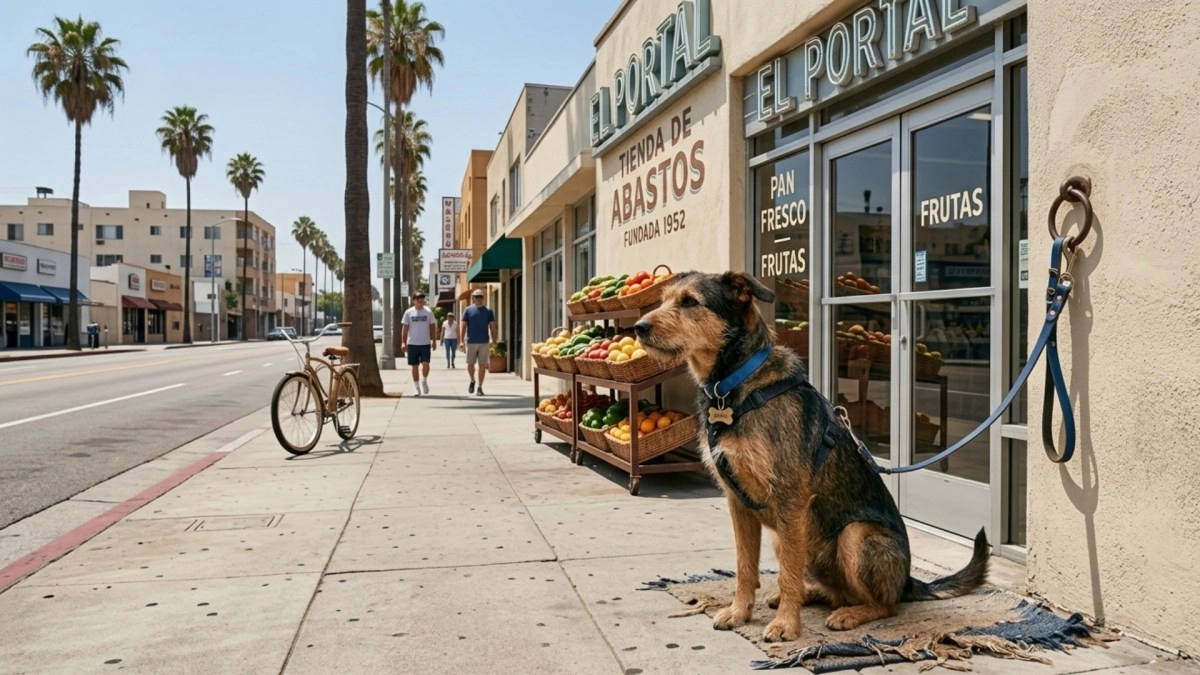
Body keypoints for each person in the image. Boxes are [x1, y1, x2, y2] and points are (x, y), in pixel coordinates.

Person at [458, 288, 496, 396]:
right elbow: (463, 325)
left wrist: (494, 339)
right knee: (470, 364)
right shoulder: (468, 310)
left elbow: (492, 325)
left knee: (482, 365)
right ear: (473, 298)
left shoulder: (488, 311)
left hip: (484, 341)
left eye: (481, 297)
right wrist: (461, 341)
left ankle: (480, 387)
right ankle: (472, 380)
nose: (479, 299)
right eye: (477, 297)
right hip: (471, 341)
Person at [400, 291, 437, 396]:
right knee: (414, 366)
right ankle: (416, 388)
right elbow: (405, 328)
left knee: (426, 364)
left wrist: (434, 341)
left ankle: (424, 380)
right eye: (417, 299)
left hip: (425, 343)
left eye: (421, 298)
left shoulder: (428, 312)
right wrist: (403, 342)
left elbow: (432, 327)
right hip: (412, 343)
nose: (420, 300)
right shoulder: (408, 312)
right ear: (414, 301)